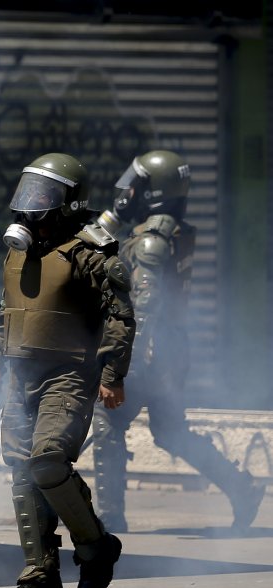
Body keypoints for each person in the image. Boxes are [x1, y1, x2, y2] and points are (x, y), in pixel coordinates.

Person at [0, 153, 135, 588]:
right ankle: (40, 573)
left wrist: (112, 374)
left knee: (47, 461)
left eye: (44, 196)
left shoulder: (90, 251)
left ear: (69, 202)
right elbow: (5, 311)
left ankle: (95, 548)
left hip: (68, 374)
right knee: (21, 468)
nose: (32, 206)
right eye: (30, 192)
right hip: (20, 373)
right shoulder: (19, 251)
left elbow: (120, 315)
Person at [91, 150, 264, 532]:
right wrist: (117, 213)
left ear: (152, 191)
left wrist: (125, 365)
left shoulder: (152, 239)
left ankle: (111, 520)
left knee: (108, 419)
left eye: (135, 187)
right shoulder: (168, 230)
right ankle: (241, 487)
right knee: (169, 432)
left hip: (150, 351)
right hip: (169, 351)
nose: (127, 193)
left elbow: (147, 306)